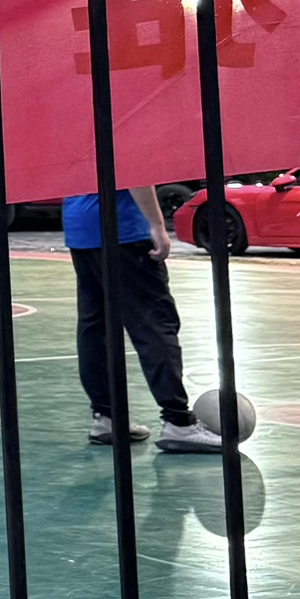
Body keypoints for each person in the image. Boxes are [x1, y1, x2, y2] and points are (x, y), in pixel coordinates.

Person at [63, 187, 222, 452]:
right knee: (155, 324)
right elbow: (133, 175)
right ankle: (178, 421)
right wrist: (156, 225)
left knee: (96, 325)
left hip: (80, 227)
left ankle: (107, 417)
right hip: (123, 227)